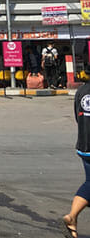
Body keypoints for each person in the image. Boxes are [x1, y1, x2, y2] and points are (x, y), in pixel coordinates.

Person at [61, 75, 90, 238]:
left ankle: (72, 218)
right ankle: (72, 216)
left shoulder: (81, 90)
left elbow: (78, 118)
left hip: (84, 144)